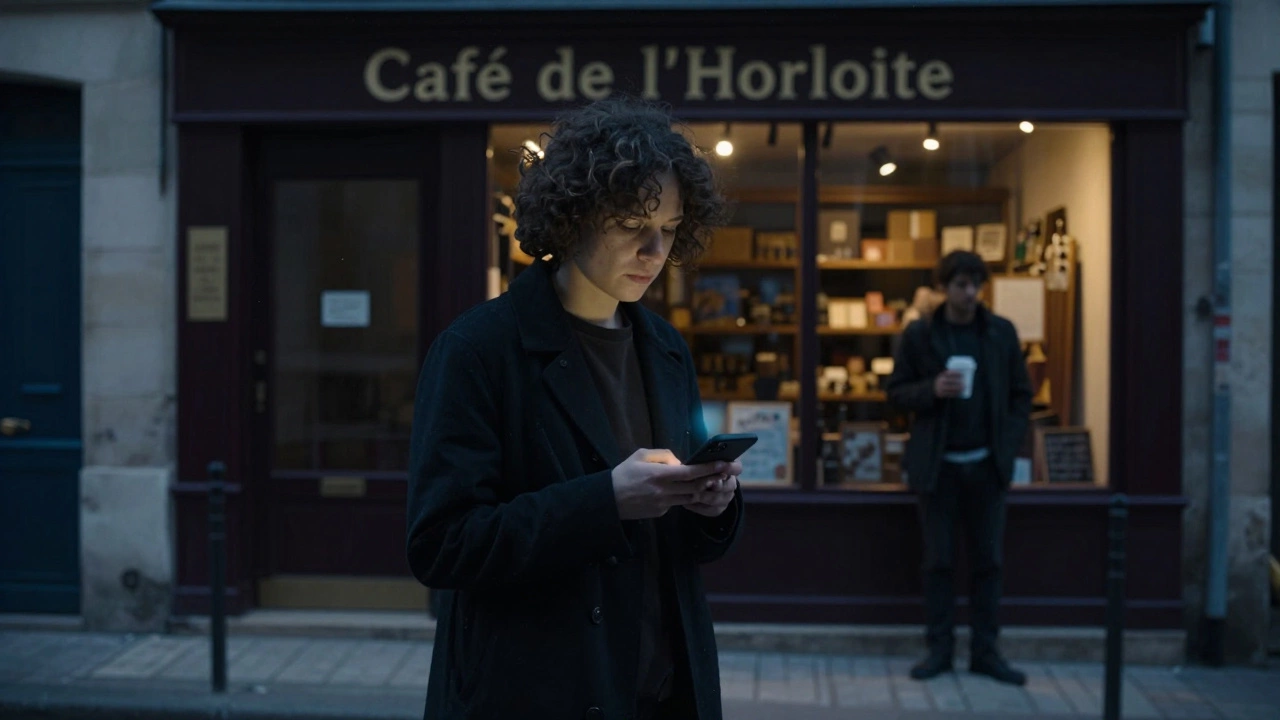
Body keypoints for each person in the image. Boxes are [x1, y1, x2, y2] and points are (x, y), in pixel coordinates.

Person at [405, 96, 744, 720]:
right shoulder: (479, 349)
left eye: (670, 229)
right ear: (573, 216)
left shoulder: (665, 347)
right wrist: (606, 500)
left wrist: (711, 503)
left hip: (665, 692)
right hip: (536, 692)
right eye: (631, 224)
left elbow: (684, 551)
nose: (655, 251)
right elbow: (442, 545)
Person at [886, 250, 1033, 686]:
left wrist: (1006, 446)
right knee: (939, 562)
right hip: (938, 468)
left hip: (987, 467)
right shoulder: (921, 334)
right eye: (961, 285)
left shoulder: (1000, 332)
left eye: (976, 284)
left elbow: (1021, 395)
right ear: (943, 288)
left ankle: (986, 653)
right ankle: (940, 651)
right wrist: (932, 388)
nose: (970, 293)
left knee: (989, 563)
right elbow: (895, 393)